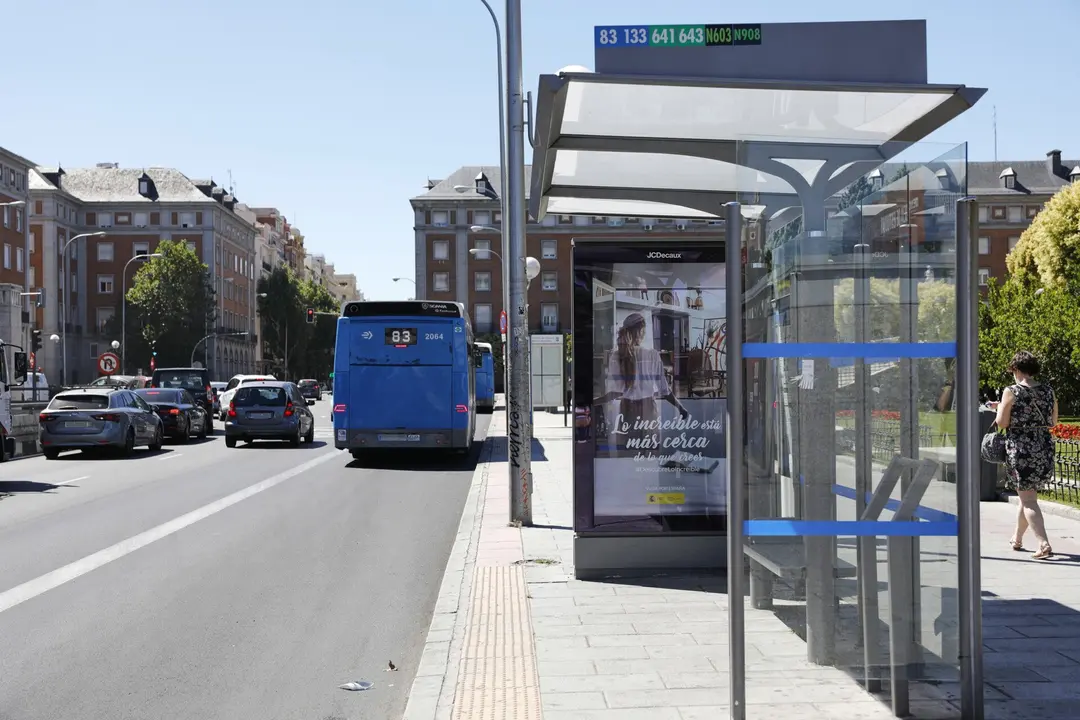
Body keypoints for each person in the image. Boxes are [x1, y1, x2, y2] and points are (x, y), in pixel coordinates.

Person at [991, 350, 1058, 560]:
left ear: (1016, 369)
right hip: (1043, 447)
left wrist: (1000, 409)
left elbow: (1002, 423)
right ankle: (1017, 538)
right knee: (1027, 496)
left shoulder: (1011, 391)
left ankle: (1043, 543)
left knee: (1028, 499)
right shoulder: (1048, 390)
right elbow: (1053, 422)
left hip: (1021, 449)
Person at [604, 313, 689, 444]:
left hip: (626, 409)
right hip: (648, 409)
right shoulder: (651, 355)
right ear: (640, 331)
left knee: (629, 449)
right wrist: (680, 408)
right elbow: (664, 390)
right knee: (649, 449)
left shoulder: (616, 357)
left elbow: (612, 391)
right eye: (644, 330)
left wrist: (606, 416)